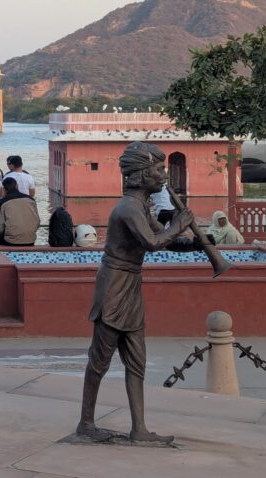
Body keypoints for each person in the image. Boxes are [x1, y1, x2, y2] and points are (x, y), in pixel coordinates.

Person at [77, 141, 200, 445]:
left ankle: (139, 429)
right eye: (158, 170)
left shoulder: (142, 206)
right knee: (100, 360)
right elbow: (152, 243)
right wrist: (180, 224)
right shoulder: (128, 208)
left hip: (130, 286)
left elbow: (164, 238)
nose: (163, 176)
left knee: (137, 360)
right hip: (113, 288)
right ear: (142, 174)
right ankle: (86, 422)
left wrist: (195, 242)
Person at [0, 176, 40, 246]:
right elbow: (37, 222)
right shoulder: (31, 200)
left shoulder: (2, 202)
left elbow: (0, 229)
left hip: (11, 241)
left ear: (3, 189)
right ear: (17, 186)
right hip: (31, 240)